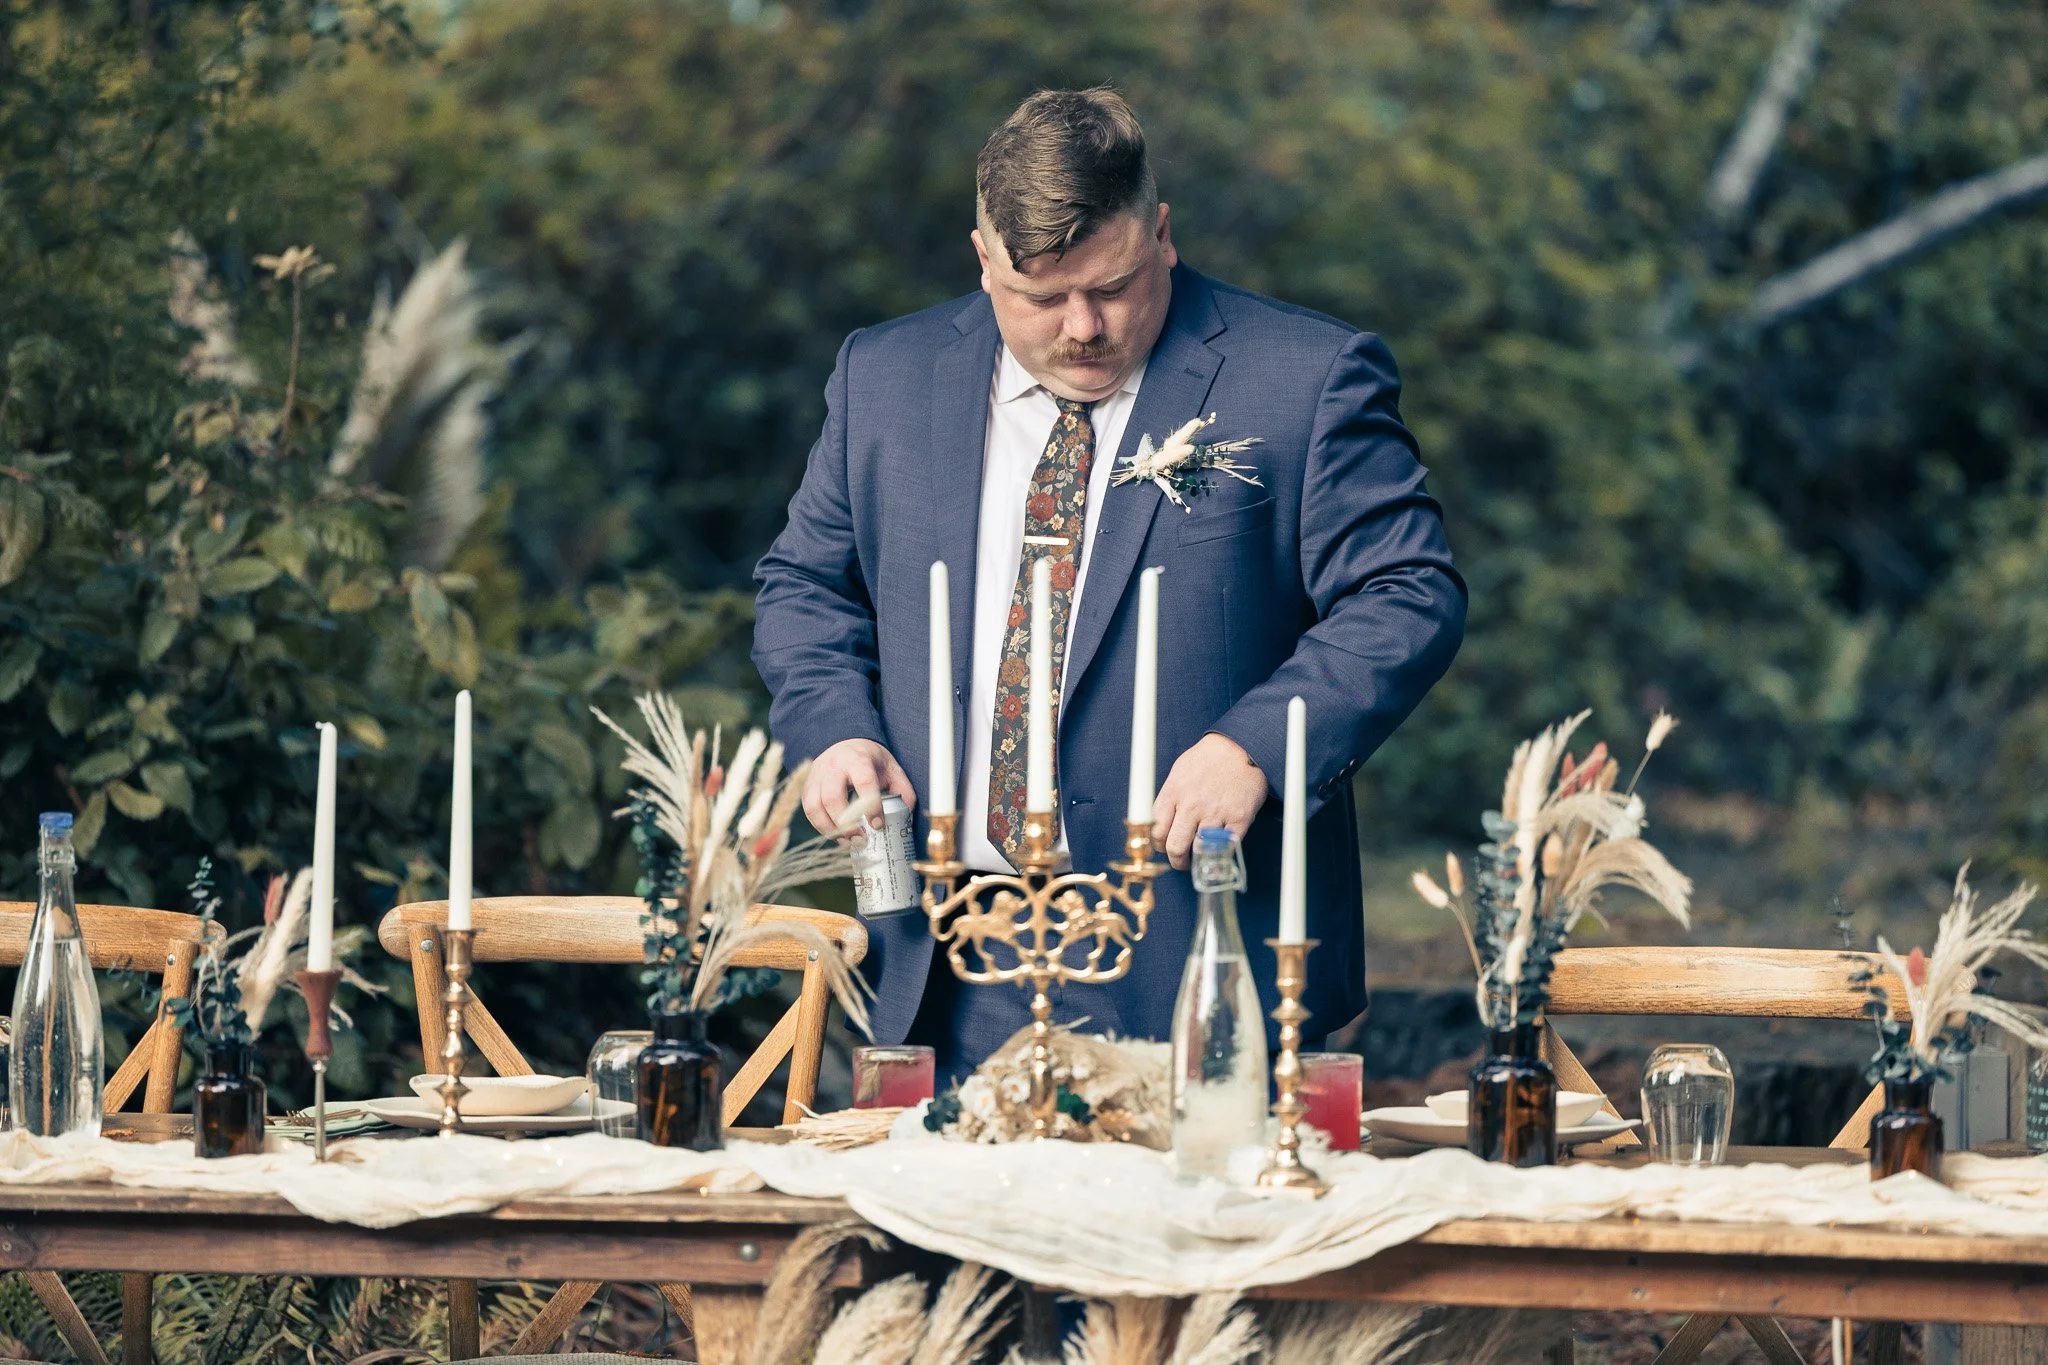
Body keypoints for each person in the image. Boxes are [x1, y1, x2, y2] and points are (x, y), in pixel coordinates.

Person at [753, 88, 1465, 1075]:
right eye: (1040, 299)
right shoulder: (882, 375)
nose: (1081, 328)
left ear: (1161, 234)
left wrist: (1258, 745)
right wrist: (833, 725)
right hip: (944, 962)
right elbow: (804, 586)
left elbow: (1406, 594)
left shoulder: (1304, 378)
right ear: (981, 258)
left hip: (1201, 950)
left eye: (1114, 285)